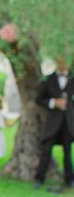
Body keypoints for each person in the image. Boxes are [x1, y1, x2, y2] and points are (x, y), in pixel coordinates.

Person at [34, 57, 74, 189]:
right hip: (52, 122)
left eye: (64, 61)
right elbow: (39, 99)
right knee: (46, 150)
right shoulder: (48, 79)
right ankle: (39, 178)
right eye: (60, 61)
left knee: (68, 152)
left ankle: (69, 179)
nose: (62, 64)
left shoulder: (72, 78)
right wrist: (53, 103)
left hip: (68, 122)